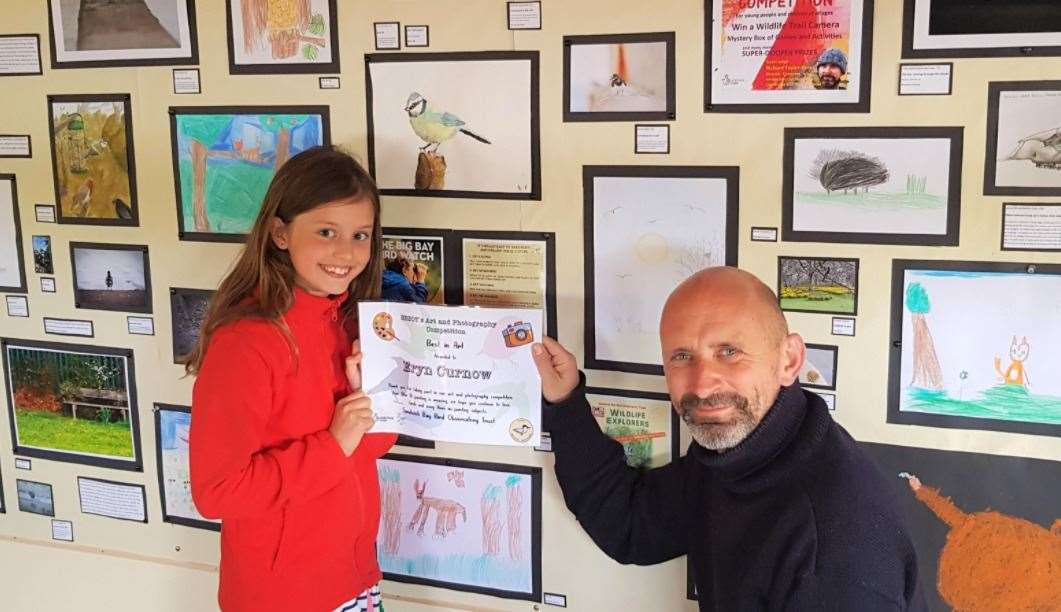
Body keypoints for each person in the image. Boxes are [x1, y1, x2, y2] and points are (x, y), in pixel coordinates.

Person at [532, 267, 925, 611]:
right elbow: (631, 526)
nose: (702, 386)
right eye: (682, 357)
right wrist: (565, 402)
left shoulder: (835, 545)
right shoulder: (738, 454)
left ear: (789, 360)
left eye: (729, 352)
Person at [187, 146, 397, 612]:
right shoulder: (247, 341)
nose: (347, 252)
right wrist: (333, 443)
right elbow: (217, 491)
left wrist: (372, 399)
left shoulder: (347, 323)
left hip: (354, 576)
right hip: (285, 596)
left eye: (361, 235)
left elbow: (369, 447)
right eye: (327, 232)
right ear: (280, 233)